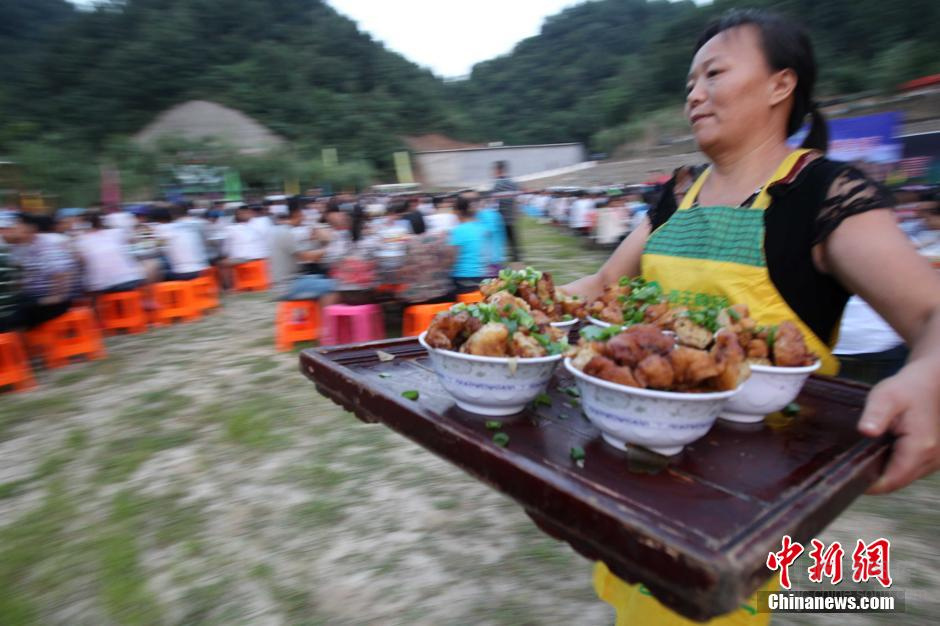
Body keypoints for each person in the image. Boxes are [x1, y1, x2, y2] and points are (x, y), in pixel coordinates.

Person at [560, 9, 940, 625]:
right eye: (689, 82)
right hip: (635, 456)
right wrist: (526, 296)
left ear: (779, 86)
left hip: (746, 491)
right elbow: (603, 283)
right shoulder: (676, 194)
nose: (694, 92)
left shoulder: (820, 194)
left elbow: (930, 313)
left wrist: (929, 376)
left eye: (713, 73)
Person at [4, 212, 75, 329]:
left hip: (52, 302)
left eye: (17, 225)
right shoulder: (22, 246)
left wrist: (53, 298)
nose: (13, 228)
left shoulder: (46, 247)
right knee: (11, 308)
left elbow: (62, 274)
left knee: (9, 320)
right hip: (32, 297)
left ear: (30, 228)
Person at [266, 199, 336, 303]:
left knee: (321, 278)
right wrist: (328, 249)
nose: (305, 217)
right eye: (304, 213)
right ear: (297, 213)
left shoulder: (277, 231)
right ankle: (325, 319)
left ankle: (319, 317)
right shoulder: (285, 233)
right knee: (335, 285)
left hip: (283, 282)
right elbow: (306, 257)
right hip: (288, 285)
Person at [74, 211, 146, 294]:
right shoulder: (115, 232)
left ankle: (96, 307)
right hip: (131, 279)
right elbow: (133, 241)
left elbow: (81, 262)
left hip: (101, 286)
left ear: (83, 225)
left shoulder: (81, 240)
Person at [154, 204, 209, 281]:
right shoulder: (199, 223)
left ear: (172, 214)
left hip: (182, 273)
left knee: (159, 270)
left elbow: (158, 248)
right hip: (205, 268)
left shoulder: (164, 228)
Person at [448, 194, 490, 293]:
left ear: (457, 212)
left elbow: (451, 260)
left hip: (463, 279)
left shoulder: (458, 231)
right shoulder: (482, 228)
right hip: (483, 277)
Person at [491, 160, 521, 261]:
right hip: (511, 217)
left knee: (500, 240)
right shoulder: (513, 183)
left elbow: (494, 204)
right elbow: (517, 200)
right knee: (513, 239)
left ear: (499, 170)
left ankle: (500, 258)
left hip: (501, 217)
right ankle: (516, 257)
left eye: (494, 170)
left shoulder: (496, 185)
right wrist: (516, 213)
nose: (493, 172)